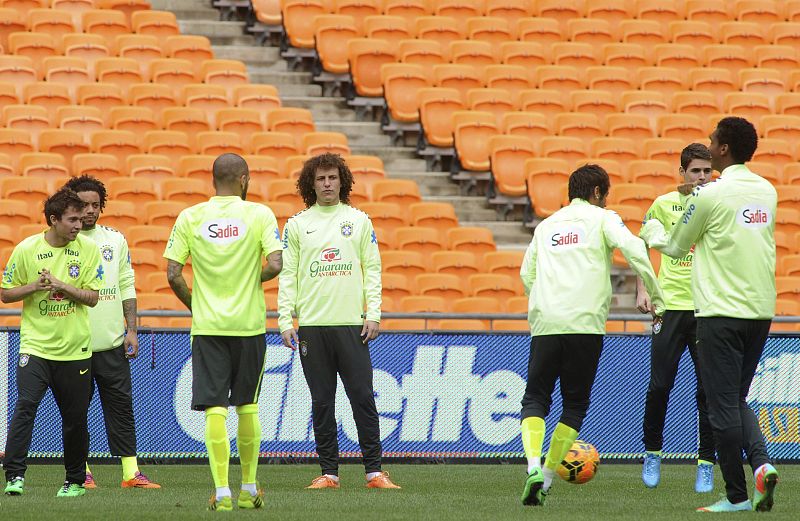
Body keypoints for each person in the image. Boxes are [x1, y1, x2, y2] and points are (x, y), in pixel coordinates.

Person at [640, 117, 778, 513]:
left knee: (719, 405)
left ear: (723, 150)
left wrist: (651, 233)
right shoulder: (767, 191)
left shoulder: (709, 196)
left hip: (719, 310)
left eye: (714, 139)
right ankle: (763, 464)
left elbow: (676, 245)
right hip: (760, 308)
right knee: (735, 397)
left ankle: (736, 494)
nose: (710, 142)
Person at [519, 164, 665, 507]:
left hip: (546, 324)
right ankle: (549, 478)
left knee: (535, 398)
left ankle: (532, 468)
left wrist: (544, 303)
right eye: (605, 195)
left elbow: (527, 273)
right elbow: (634, 249)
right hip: (585, 323)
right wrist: (657, 297)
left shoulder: (547, 225)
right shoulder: (603, 219)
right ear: (597, 192)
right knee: (574, 404)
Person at [164, 153, 283, 511]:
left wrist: (197, 304)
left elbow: (172, 273)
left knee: (215, 408)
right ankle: (248, 488)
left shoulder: (191, 216)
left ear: (212, 179)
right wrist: (250, 279)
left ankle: (222, 493)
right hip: (248, 326)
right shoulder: (259, 214)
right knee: (248, 406)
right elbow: (276, 263)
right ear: (244, 179)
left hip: (208, 327)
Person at [277, 153, 399, 490]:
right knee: (321, 401)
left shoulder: (359, 220)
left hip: (351, 325)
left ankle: (374, 472)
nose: (327, 184)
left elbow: (372, 268)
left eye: (332, 178)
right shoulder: (298, 224)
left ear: (342, 180)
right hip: (313, 328)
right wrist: (285, 318)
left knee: (362, 397)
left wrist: (373, 312)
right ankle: (329, 472)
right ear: (310, 184)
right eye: (321, 179)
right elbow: (288, 275)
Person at [2, 189, 102, 498]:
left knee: (74, 418)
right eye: (72, 219)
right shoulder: (26, 249)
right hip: (35, 347)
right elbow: (6, 293)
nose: (79, 223)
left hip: (75, 349)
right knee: (26, 407)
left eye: (80, 217)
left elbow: (94, 298)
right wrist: (35, 286)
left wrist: (62, 286)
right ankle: (14, 476)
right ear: (54, 220)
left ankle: (74, 481)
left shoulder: (88, 250)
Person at [63, 176, 160, 490]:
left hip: (112, 343)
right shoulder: (61, 242)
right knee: (77, 412)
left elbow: (126, 285)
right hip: (74, 344)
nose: (89, 211)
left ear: (102, 206)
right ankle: (83, 472)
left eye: (95, 205)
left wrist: (131, 329)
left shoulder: (115, 240)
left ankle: (131, 473)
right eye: (82, 205)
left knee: (121, 407)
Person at [635, 144, 716, 492]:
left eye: (707, 171)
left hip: (705, 309)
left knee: (707, 392)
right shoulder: (662, 203)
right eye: (695, 170)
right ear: (681, 171)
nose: (701, 176)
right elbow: (640, 244)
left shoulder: (717, 203)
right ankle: (653, 453)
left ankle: (706, 463)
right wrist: (642, 289)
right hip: (668, 308)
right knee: (660, 387)